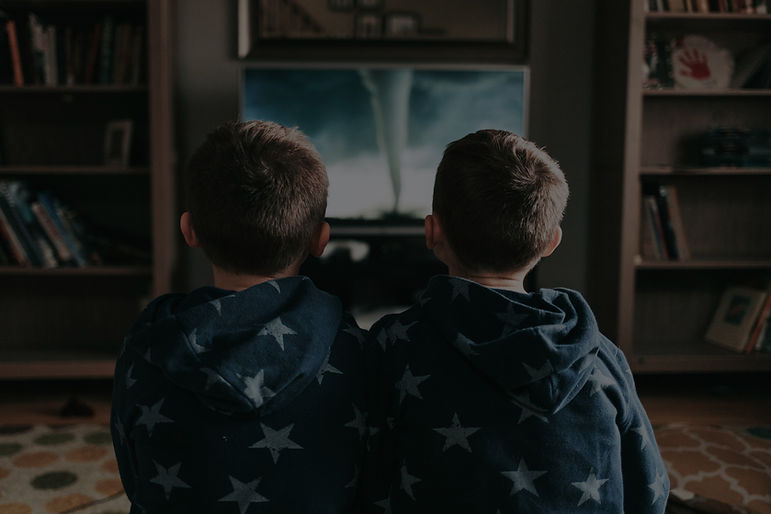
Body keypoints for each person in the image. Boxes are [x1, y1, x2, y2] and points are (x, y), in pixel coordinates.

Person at [365, 129, 669, 513]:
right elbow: (651, 489)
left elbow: (364, 473)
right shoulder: (603, 357)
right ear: (551, 242)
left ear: (432, 231)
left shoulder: (393, 346)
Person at [111, 120, 371, 513]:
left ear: (189, 230)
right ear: (321, 239)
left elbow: (134, 474)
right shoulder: (356, 348)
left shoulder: (148, 341)